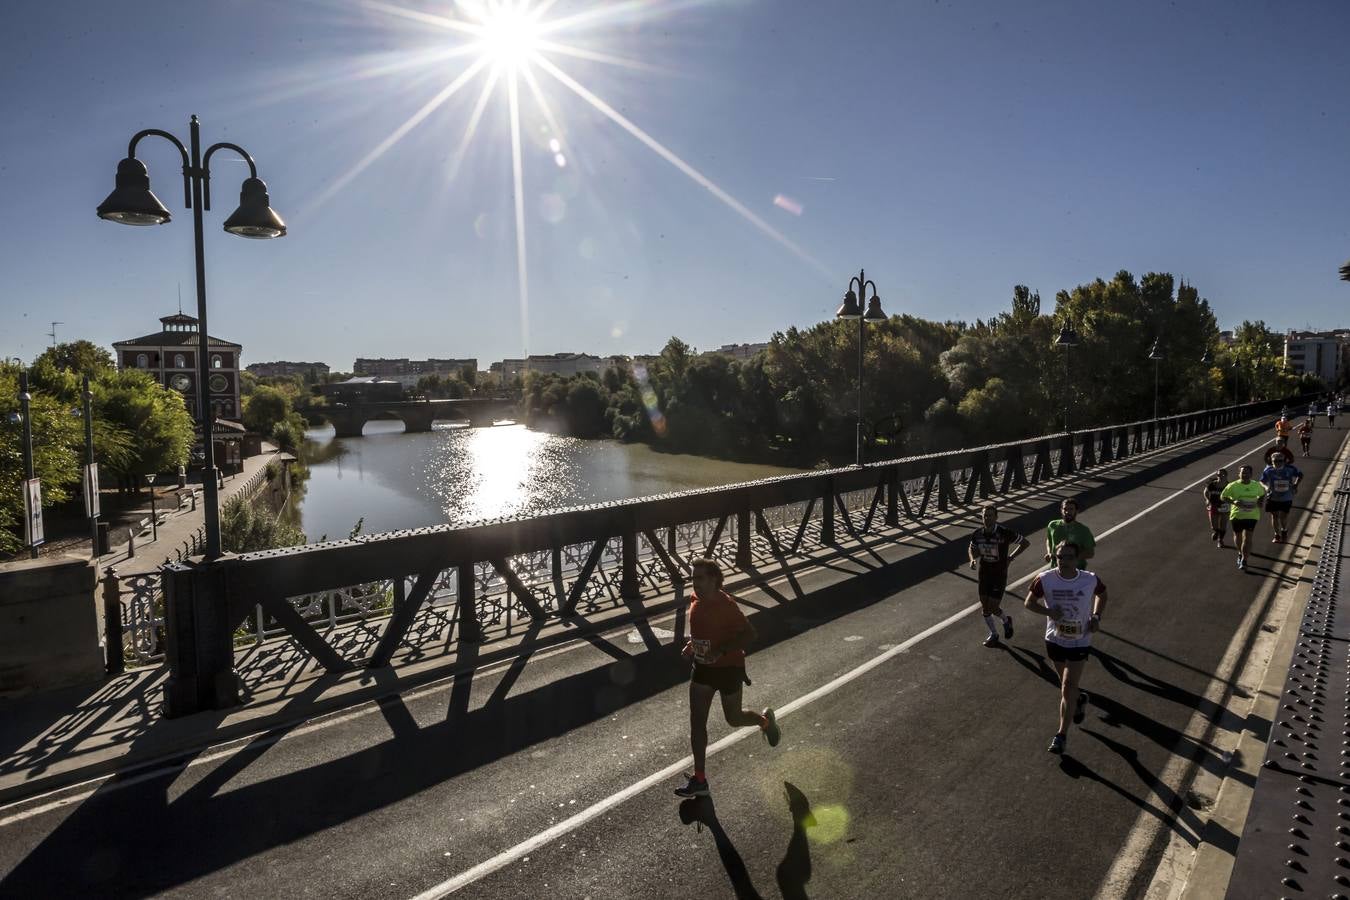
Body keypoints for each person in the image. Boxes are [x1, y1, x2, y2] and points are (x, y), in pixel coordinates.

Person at [675, 558, 780, 798]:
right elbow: (702, 631)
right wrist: (692, 646)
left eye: (700, 578)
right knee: (697, 723)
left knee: (733, 718)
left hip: (728, 669)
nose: (695, 583)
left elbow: (749, 634)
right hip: (702, 669)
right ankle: (699, 779)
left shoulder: (727, 606)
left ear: (714, 580)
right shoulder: (695, 601)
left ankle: (765, 721)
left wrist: (721, 651)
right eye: (693, 578)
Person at [1024, 540, 1108, 755]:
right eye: (1059, 557)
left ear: (1077, 559)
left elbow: (1102, 594)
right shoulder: (1045, 579)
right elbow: (1029, 603)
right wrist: (1049, 613)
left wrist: (1096, 616)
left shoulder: (1089, 579)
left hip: (1080, 640)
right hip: (1054, 639)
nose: (1063, 561)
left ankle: (1061, 735)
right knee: (1066, 685)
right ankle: (1079, 699)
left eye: (1068, 557)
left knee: (1067, 686)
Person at [968, 504, 1031, 647]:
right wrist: (972, 559)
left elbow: (1025, 543)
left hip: (999, 574)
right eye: (984, 516)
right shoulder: (977, 533)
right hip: (984, 573)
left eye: (990, 515)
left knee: (993, 607)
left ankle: (1006, 620)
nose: (987, 518)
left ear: (996, 517)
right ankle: (994, 634)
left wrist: (1010, 557)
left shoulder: (1005, 532)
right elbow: (971, 548)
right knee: (985, 607)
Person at [1220, 465, 1265, 569]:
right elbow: (1223, 497)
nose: (1244, 474)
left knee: (1248, 537)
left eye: (1247, 472)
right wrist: (1233, 501)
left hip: (1252, 515)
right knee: (1238, 536)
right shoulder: (1232, 485)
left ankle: (1244, 560)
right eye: (1242, 472)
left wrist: (1260, 502)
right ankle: (1240, 553)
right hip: (1237, 515)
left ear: (1251, 474)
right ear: (1239, 474)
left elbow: (1262, 494)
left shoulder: (1256, 485)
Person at [1260, 450, 1302, 544]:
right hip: (1273, 496)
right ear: (1272, 461)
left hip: (1286, 497)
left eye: (1280, 461)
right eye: (1275, 461)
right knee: (1274, 515)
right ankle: (1277, 534)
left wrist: (1296, 485)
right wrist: (1266, 487)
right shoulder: (1268, 470)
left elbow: (1300, 475)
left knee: (1283, 517)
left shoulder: (1290, 469)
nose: (1278, 463)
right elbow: (1262, 481)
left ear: (1284, 461)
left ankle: (1284, 530)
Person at [1044, 498, 1095, 568]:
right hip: (1056, 569)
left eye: (1071, 509)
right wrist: (1049, 553)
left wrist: (1070, 558)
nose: (1067, 512)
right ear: (1061, 510)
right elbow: (1049, 540)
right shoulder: (1052, 525)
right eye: (1065, 509)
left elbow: (1090, 553)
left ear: (1076, 511)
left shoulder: (1083, 530)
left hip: (1076, 571)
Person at [1202, 468, 1229, 548]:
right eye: (1218, 474)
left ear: (1226, 475)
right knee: (1214, 526)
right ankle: (1216, 532)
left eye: (1222, 474)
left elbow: (1233, 496)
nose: (1220, 476)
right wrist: (1207, 499)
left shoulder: (1229, 486)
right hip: (1213, 506)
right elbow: (1205, 492)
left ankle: (1220, 540)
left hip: (1225, 507)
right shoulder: (1212, 484)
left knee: (1223, 525)